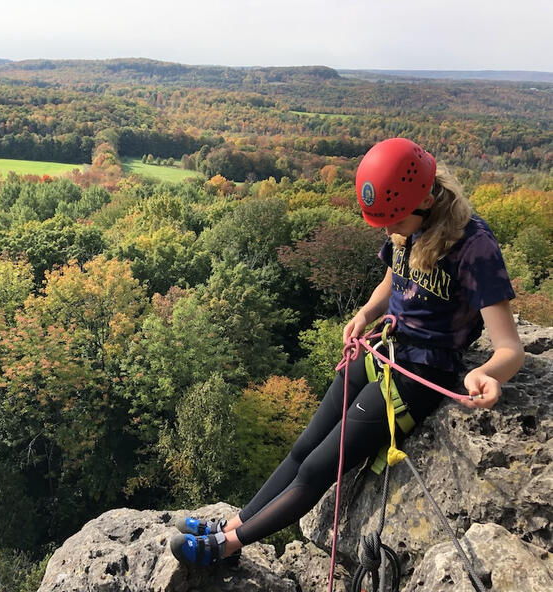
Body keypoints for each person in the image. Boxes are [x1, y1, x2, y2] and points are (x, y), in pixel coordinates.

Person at [170, 137, 525, 567]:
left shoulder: (475, 247)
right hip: (381, 349)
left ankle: (227, 548)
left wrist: (489, 373)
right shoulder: (404, 225)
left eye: (394, 221)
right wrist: (365, 313)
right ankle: (233, 522)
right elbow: (392, 281)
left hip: (418, 374)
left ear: (428, 200)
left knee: (319, 468)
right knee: (303, 446)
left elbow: (509, 347)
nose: (387, 230)